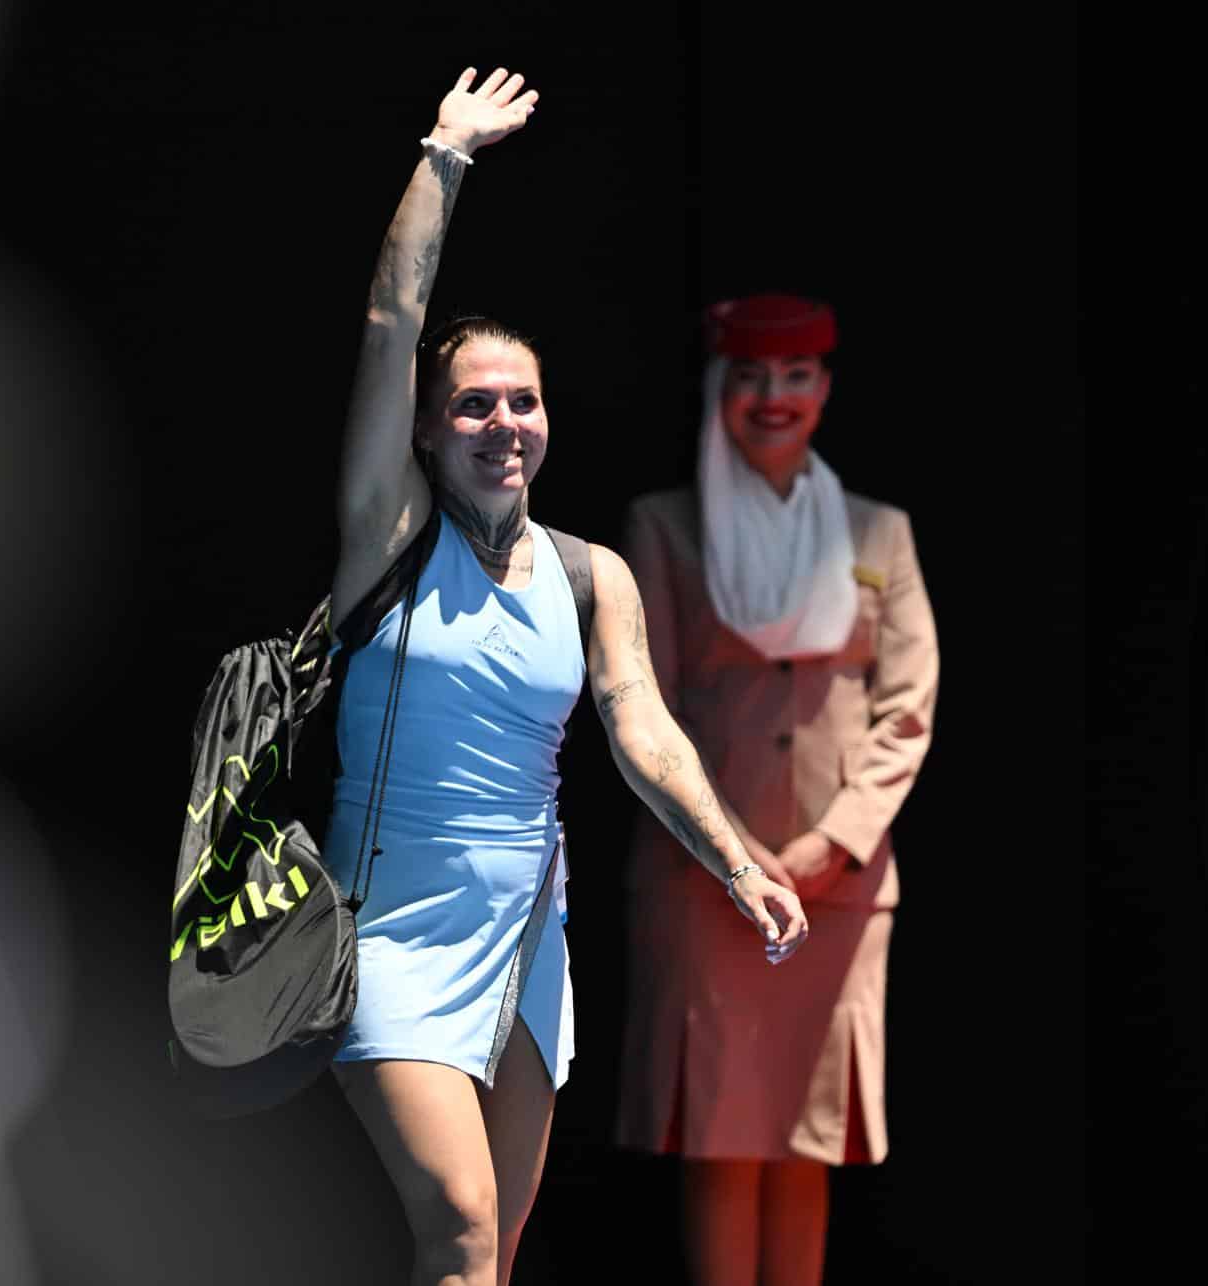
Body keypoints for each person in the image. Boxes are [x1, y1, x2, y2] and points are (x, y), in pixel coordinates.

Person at [323, 69, 812, 1286]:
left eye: (524, 402)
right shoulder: (387, 533)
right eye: (473, 404)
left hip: (525, 933)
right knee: (462, 1224)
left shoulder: (592, 576)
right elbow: (392, 323)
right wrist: (445, 153)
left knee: (494, 1251)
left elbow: (642, 731)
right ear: (428, 434)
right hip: (383, 932)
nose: (504, 422)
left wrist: (739, 860)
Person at [611, 294, 940, 1286]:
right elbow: (644, 701)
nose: (774, 397)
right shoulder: (664, 527)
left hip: (840, 882)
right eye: (753, 376)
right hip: (703, 875)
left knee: (808, 1137)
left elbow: (909, 705)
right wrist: (735, 850)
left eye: (797, 377)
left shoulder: (879, 533)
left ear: (826, 390)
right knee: (723, 1133)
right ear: (722, 387)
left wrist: (833, 841)